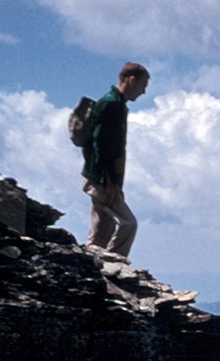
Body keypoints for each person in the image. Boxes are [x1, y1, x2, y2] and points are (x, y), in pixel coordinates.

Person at [81, 62, 150, 258]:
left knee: (101, 231)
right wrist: (110, 182)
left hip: (101, 177)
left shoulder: (117, 105)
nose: (143, 92)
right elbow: (102, 145)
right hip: (101, 179)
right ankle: (115, 265)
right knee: (128, 224)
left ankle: (95, 270)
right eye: (143, 86)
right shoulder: (110, 104)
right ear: (132, 80)